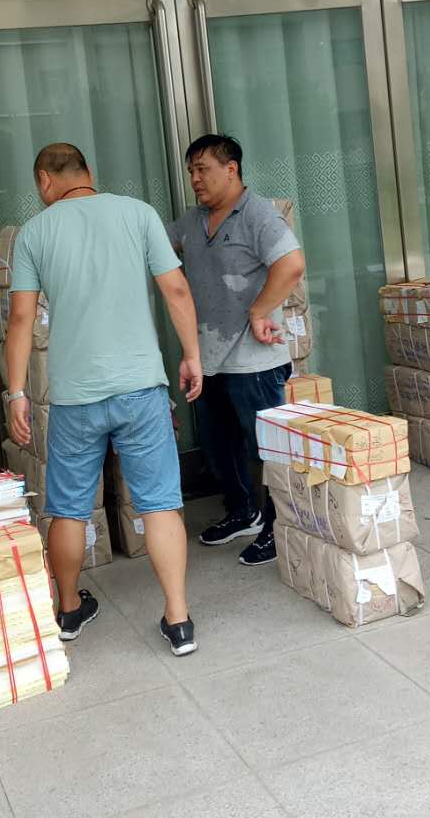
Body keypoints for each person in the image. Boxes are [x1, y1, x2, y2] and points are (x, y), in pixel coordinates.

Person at [4, 142, 204, 657]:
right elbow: (177, 290)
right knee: (159, 503)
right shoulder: (138, 213)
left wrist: (17, 392)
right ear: (88, 172)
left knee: (68, 509)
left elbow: (21, 319)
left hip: (75, 397)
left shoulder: (34, 233)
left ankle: (69, 610)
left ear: (44, 181)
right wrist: (191, 355)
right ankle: (178, 619)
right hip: (140, 387)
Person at [168, 134, 306, 567]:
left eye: (202, 169)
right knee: (219, 447)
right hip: (209, 360)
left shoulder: (258, 214)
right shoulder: (193, 221)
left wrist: (260, 309)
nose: (195, 179)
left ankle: (279, 528)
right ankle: (243, 512)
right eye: (191, 171)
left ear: (232, 169)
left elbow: (292, 264)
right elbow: (157, 246)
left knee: (265, 449)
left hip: (254, 361)